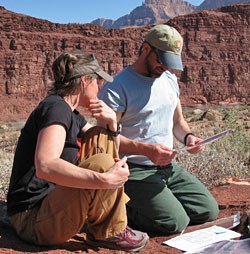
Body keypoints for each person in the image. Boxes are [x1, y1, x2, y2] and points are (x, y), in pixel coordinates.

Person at [7, 52, 149, 252]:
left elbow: (105, 142)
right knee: (101, 162)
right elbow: (45, 165)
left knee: (100, 135)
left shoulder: (70, 113)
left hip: (50, 207)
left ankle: (106, 226)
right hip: (32, 220)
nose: (100, 87)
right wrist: (105, 180)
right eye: (98, 81)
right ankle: (108, 230)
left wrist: (112, 122)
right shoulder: (56, 108)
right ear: (84, 80)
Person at [98, 24, 220, 235]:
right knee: (174, 222)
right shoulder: (117, 87)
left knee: (207, 210)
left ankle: (157, 204)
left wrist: (189, 138)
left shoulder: (170, 80)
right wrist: (147, 150)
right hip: (133, 169)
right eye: (162, 61)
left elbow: (177, 122)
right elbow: (105, 139)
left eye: (170, 63)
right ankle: (120, 206)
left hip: (166, 167)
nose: (165, 67)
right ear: (145, 49)